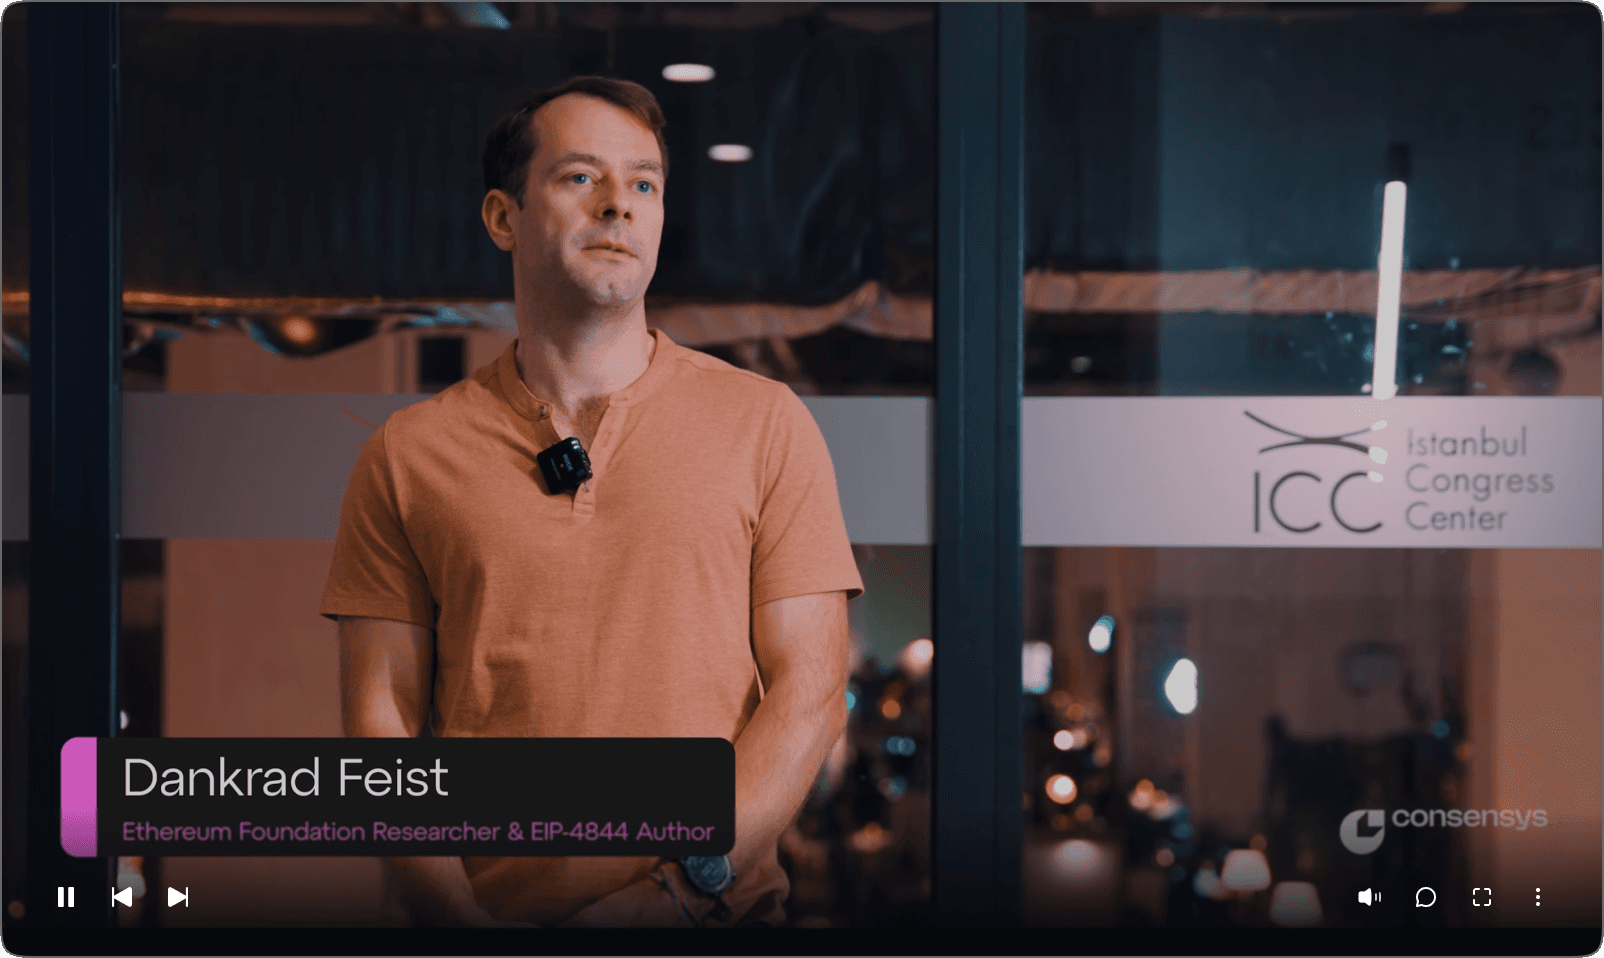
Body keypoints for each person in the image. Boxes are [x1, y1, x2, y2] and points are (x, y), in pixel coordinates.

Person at [319, 75, 864, 928]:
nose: (620, 205)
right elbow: (380, 726)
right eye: (581, 177)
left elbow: (811, 692)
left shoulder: (765, 424)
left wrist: (678, 896)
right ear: (504, 217)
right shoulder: (407, 457)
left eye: (643, 183)